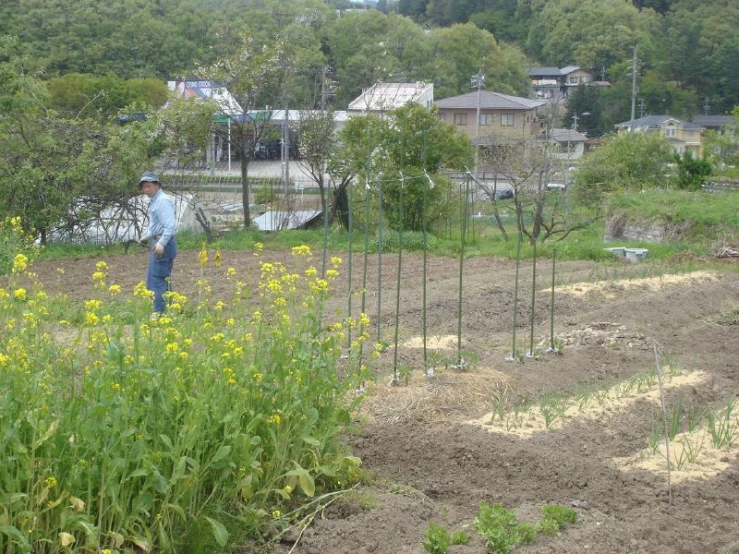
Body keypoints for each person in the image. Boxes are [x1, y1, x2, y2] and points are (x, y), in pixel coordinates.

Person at [137, 171, 177, 314]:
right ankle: (170, 310)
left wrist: (162, 243)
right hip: (159, 240)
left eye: (148, 186)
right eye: (144, 187)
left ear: (157, 185)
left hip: (164, 244)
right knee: (162, 278)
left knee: (158, 280)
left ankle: (160, 313)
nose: (146, 190)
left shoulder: (162, 201)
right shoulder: (155, 200)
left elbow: (170, 225)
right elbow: (155, 224)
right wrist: (147, 236)